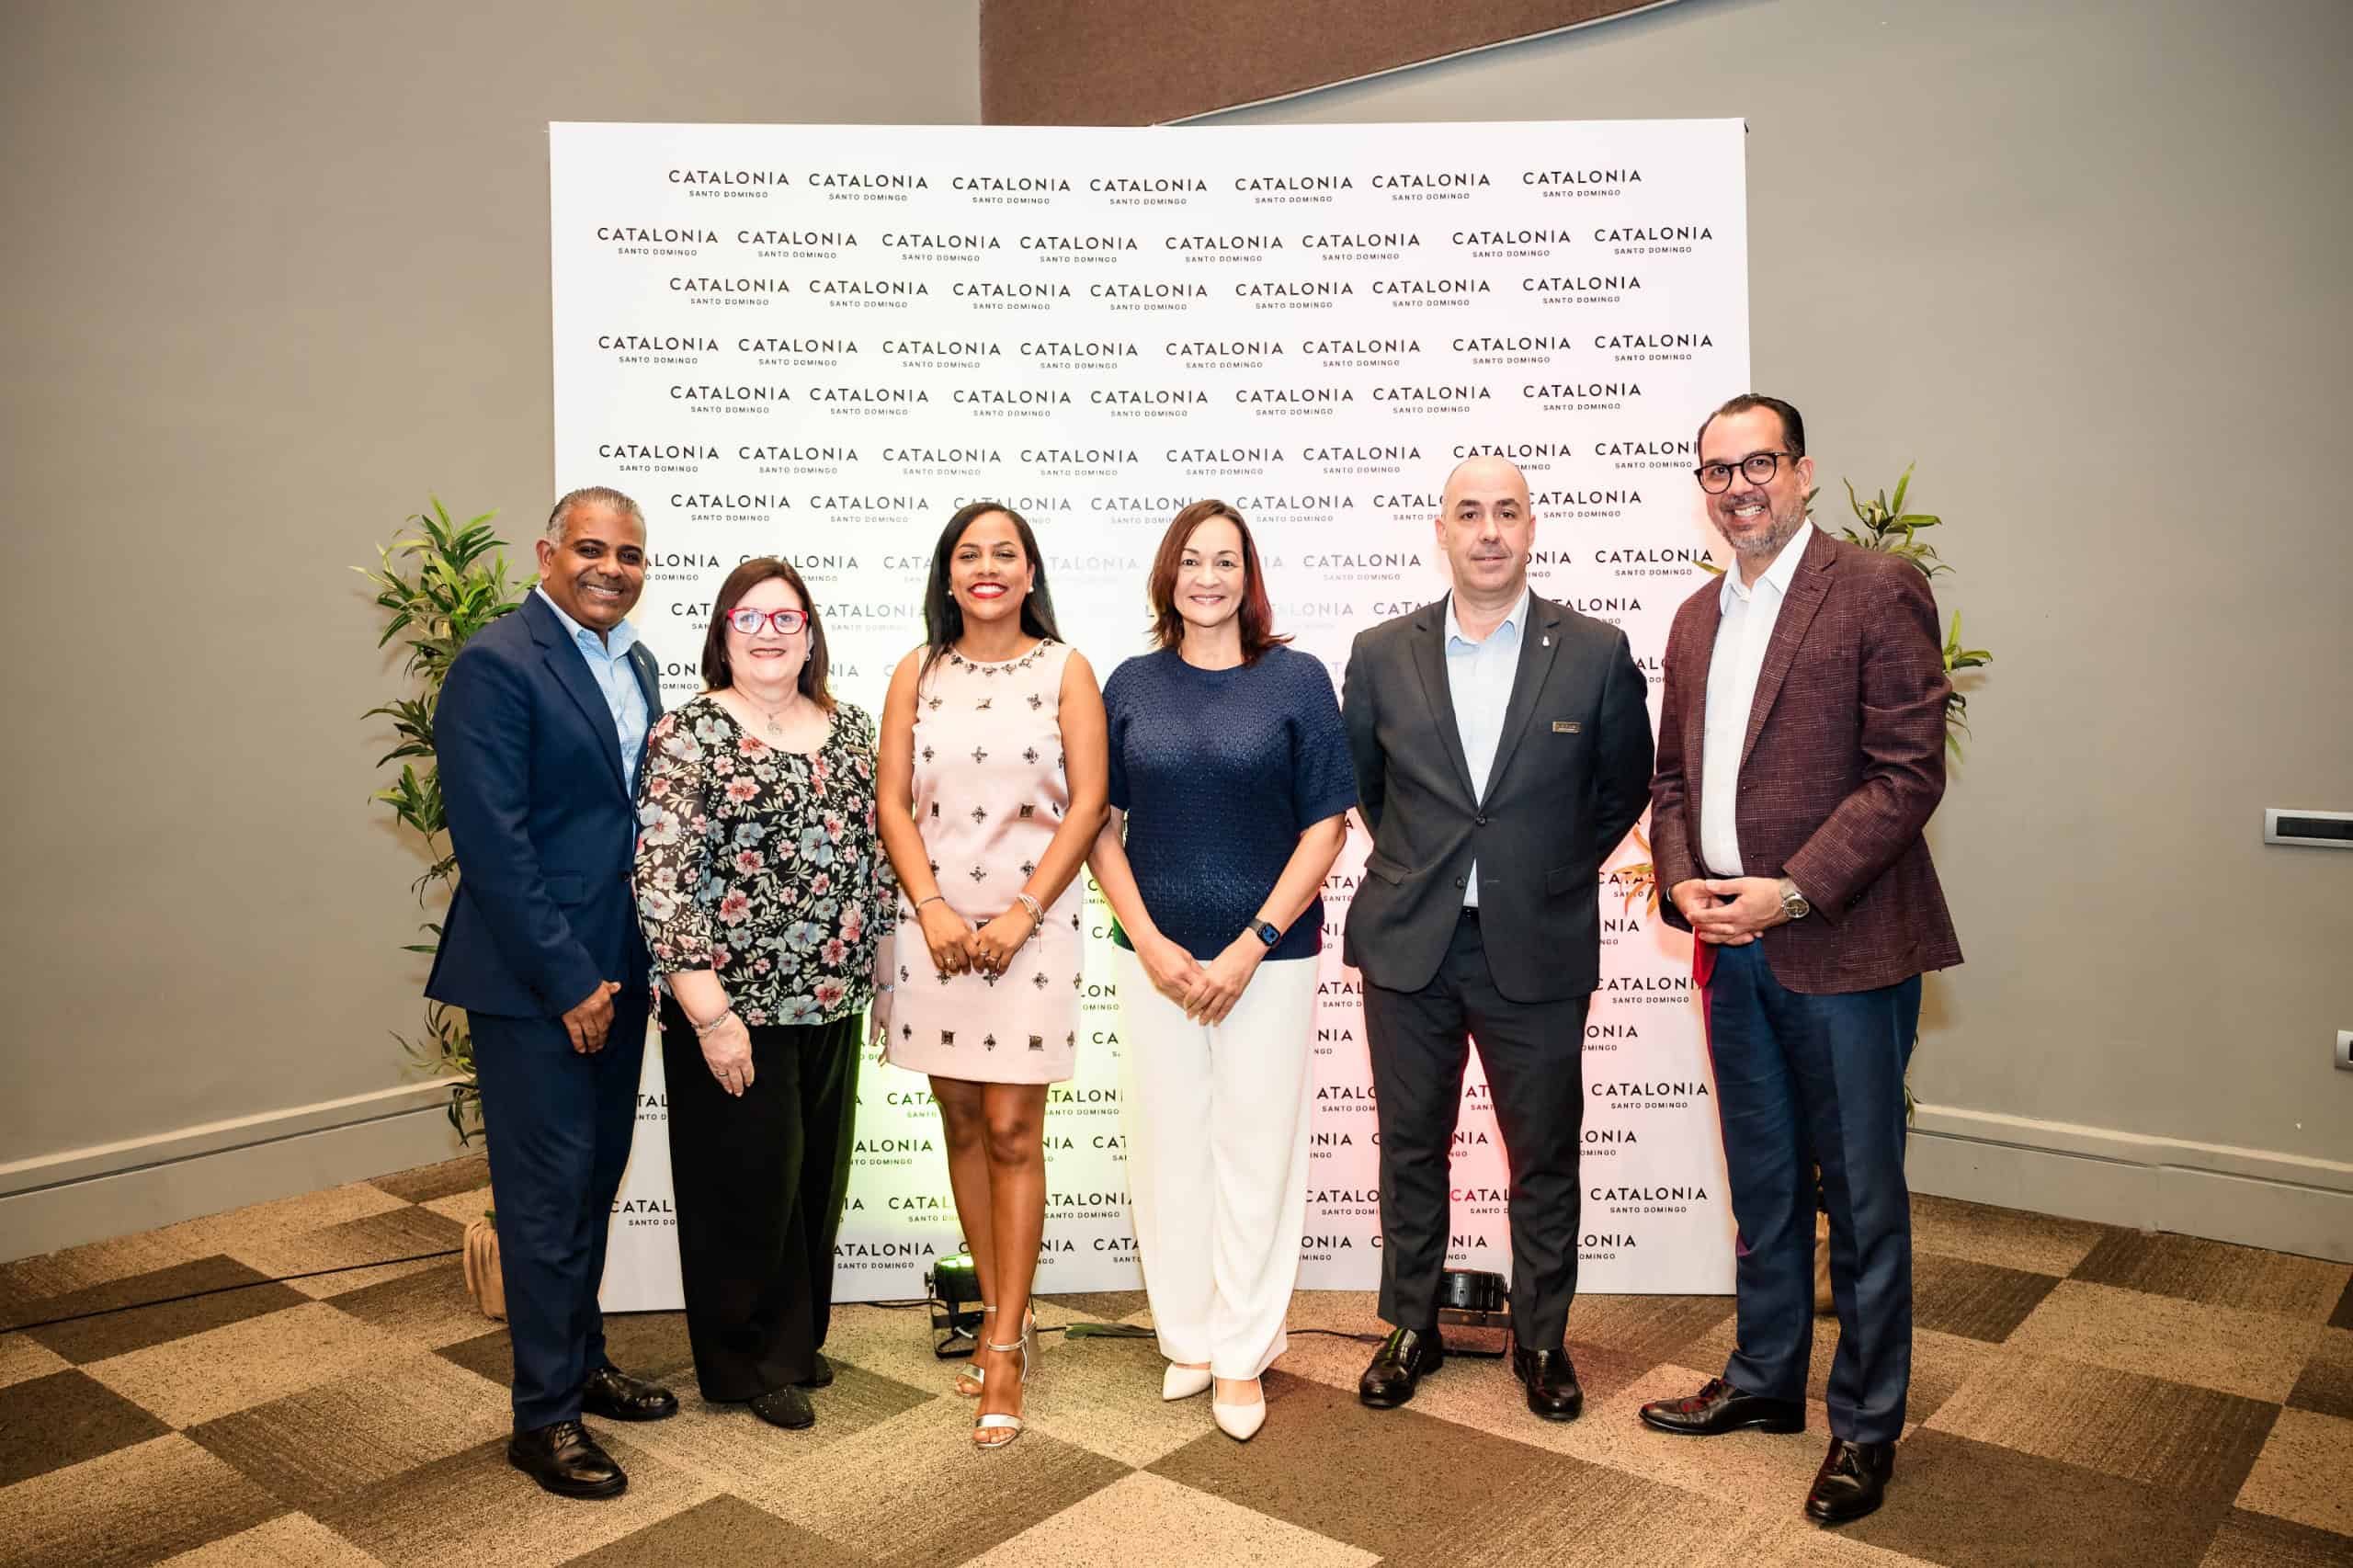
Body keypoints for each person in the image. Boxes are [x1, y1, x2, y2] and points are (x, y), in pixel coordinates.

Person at [1639, 393, 1961, 1525]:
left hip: (1844, 943)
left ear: (1804, 471)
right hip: (1731, 948)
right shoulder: (1694, 618)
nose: (1739, 487)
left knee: (1861, 1200)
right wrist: (1683, 883)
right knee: (1764, 1184)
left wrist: (1791, 889)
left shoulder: (1873, 588)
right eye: (1717, 470)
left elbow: (1905, 772)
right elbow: (1669, 782)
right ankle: (1766, 1377)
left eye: (1759, 463)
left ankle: (1865, 1426)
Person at [1339, 455, 1654, 1422]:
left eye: (1506, 512)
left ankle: (1543, 1337)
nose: (1488, 531)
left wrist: (1543, 869)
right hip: (1411, 942)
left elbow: (1622, 787)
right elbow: (1368, 791)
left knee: (1543, 1153)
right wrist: (1429, 867)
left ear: (1531, 528)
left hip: (1538, 943)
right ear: (1440, 530)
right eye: (1468, 512)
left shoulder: (1595, 651)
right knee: (1410, 1147)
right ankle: (1411, 1325)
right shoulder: (1380, 653)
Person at [426, 486, 679, 1499]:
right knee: (542, 1202)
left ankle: (581, 1362)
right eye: (591, 548)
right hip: (537, 979)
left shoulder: (638, 664)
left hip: (621, 967)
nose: (611, 568)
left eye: (629, 554)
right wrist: (570, 978)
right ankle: (542, 1418)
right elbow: (493, 842)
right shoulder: (496, 663)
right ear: (547, 554)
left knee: (592, 1182)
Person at [1087, 501, 1354, 1443]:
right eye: (1193, 560)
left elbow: (1327, 825)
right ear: (1169, 575)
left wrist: (1250, 942)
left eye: (1227, 561)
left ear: (1250, 576)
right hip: (1152, 962)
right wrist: (1148, 940)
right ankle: (1191, 1335)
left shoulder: (1296, 679)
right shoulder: (1130, 683)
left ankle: (1243, 1350)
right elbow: (1099, 827)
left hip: (1270, 960)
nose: (1209, 577)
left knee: (1257, 1149)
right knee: (1167, 1149)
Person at [632, 558, 893, 1432]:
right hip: (731, 1009)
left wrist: (882, 979)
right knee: (743, 1189)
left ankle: (793, 1342)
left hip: (831, 999)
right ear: (723, 635)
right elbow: (662, 881)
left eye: (786, 618)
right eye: (749, 618)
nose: (769, 633)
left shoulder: (851, 730)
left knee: (811, 1182)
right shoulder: (688, 734)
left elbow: (876, 864)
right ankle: (742, 1363)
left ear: (810, 635)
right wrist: (709, 1014)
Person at [875, 501, 1108, 1449]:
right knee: (963, 1121)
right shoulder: (916, 671)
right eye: (968, 554)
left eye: (1004, 553)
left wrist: (1022, 913)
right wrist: (931, 906)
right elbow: (892, 801)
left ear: (1029, 573)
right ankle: (1001, 1312)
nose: (986, 568)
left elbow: (1089, 803)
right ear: (948, 575)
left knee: (1013, 1127)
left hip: (1033, 925)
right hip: (931, 926)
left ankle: (1004, 1342)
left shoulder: (1066, 668)